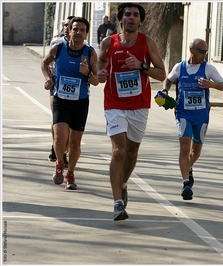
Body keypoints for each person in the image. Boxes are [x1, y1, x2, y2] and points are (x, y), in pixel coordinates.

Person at [97, 3, 166, 221]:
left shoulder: (148, 43)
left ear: (140, 21)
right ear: (121, 19)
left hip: (139, 105)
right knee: (118, 150)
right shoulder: (108, 42)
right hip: (114, 103)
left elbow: (161, 74)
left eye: (136, 15)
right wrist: (100, 71)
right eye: (127, 14)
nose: (131, 18)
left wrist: (141, 66)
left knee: (131, 152)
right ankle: (117, 203)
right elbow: (101, 59)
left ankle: (124, 184)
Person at [162, 38, 223, 201]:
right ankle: (185, 183)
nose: (204, 55)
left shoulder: (209, 69)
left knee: (195, 151)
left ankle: (189, 167)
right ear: (191, 50)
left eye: (206, 52)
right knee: (185, 147)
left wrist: (211, 85)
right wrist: (164, 90)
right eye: (202, 52)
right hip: (183, 113)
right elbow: (168, 79)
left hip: (201, 115)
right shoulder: (180, 67)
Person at [41, 17, 99, 190]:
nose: (78, 33)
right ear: (70, 31)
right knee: (59, 138)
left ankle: (71, 173)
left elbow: (96, 81)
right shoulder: (58, 48)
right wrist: (48, 79)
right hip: (61, 99)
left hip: (80, 102)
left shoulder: (90, 53)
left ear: (86, 33)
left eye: (82, 30)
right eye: (75, 29)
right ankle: (60, 163)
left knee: (75, 143)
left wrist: (87, 73)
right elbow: (44, 63)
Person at [47, 15, 75, 165]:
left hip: (76, 90)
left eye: (69, 26)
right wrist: (49, 77)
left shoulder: (83, 48)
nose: (66, 29)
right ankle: (56, 146)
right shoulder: (56, 43)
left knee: (70, 124)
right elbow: (47, 63)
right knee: (56, 119)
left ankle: (64, 149)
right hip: (57, 86)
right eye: (65, 26)